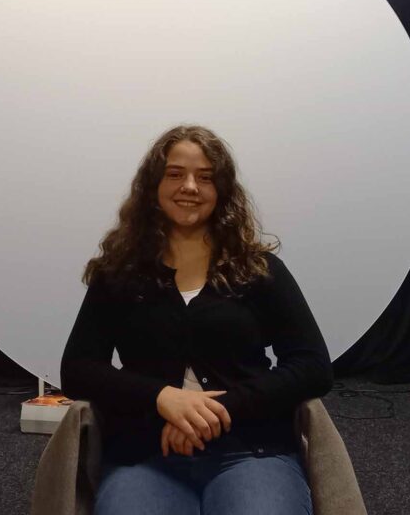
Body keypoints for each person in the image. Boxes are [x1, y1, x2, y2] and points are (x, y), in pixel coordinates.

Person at [61, 124, 333, 515]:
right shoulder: (118, 274)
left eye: (205, 177)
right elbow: (78, 369)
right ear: (153, 186)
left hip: (250, 451)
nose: (190, 186)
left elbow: (313, 367)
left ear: (221, 190)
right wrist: (162, 399)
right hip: (146, 454)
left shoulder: (260, 270)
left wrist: (218, 411)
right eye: (175, 174)